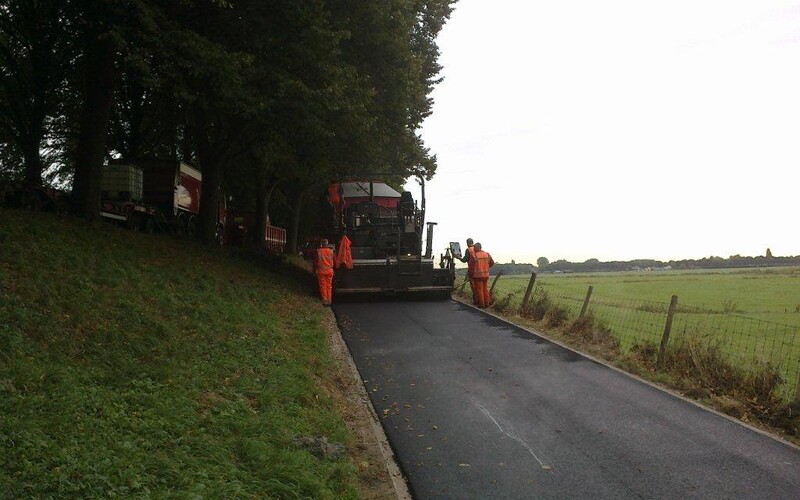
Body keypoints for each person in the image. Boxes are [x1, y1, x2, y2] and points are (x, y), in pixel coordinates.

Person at [472, 242, 495, 308]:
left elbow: (472, 266)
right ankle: (487, 303)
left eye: (474, 248)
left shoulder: (474, 255)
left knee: (479, 290)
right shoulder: (487, 254)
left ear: (477, 248)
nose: (474, 249)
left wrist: (471, 273)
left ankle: (482, 305)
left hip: (478, 275)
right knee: (485, 289)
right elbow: (492, 263)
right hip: (486, 275)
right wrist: (487, 267)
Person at [314, 238, 335, 306]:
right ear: (327, 244)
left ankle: (325, 300)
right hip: (329, 271)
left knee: (323, 285)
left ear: (321, 244)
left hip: (321, 271)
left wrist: (314, 270)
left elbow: (316, 262)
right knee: (329, 286)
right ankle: (329, 299)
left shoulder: (318, 251)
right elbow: (334, 260)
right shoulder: (331, 252)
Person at [458, 238, 478, 305]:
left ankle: (476, 301)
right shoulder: (477, 249)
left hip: (472, 271)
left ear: (467, 243)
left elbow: (464, 260)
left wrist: (458, 257)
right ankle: (482, 302)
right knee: (480, 287)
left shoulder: (468, 250)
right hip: (480, 270)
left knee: (474, 287)